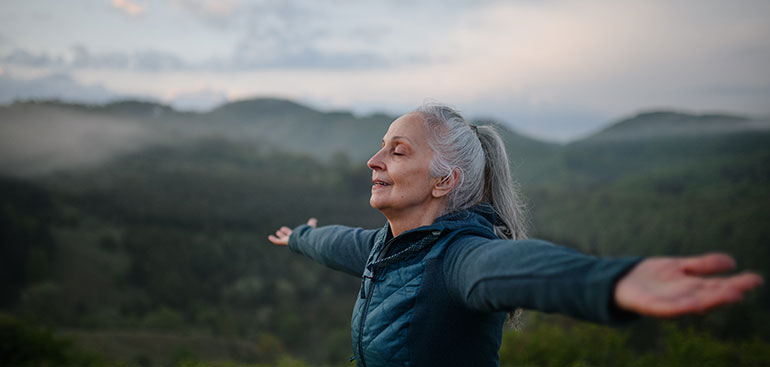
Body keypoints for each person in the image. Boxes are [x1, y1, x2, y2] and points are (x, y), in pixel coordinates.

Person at [268, 103, 762, 367]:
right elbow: (335, 243)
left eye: (398, 152)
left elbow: (519, 268)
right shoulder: (384, 247)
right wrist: (301, 238)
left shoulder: (460, 259)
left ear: (444, 181)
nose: (374, 162)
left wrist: (610, 282)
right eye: (381, 148)